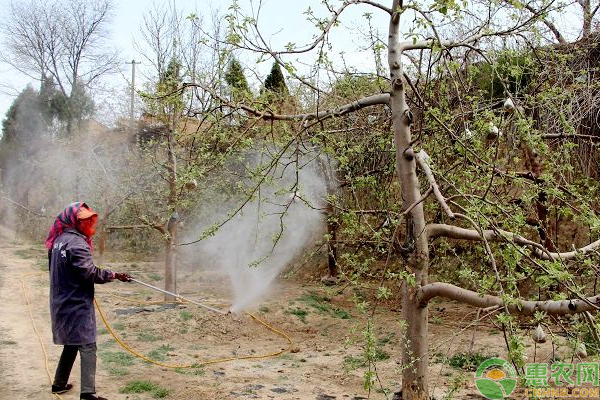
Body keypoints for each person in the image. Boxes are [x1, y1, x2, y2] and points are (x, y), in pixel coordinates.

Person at [45, 202, 132, 400]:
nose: (88, 224)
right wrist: (115, 275)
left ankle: (59, 384)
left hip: (61, 300)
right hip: (76, 303)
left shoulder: (58, 240)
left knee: (72, 341)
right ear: (73, 220)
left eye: (89, 219)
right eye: (84, 220)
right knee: (87, 344)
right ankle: (88, 394)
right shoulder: (76, 243)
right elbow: (90, 273)